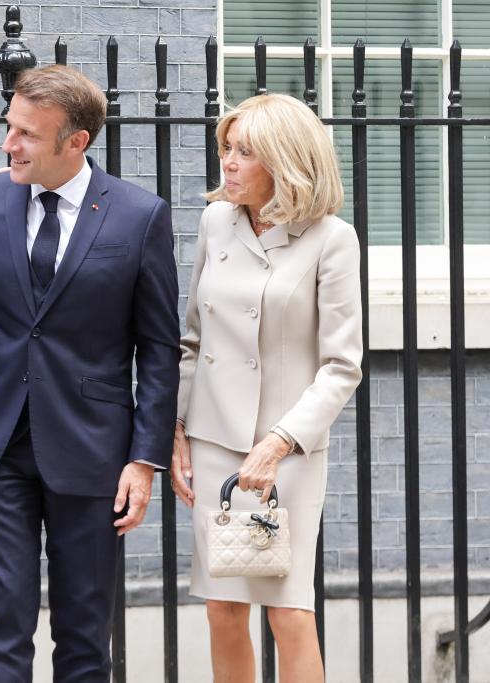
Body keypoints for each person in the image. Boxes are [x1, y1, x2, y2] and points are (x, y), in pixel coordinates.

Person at [0, 64, 181, 682]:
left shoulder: (139, 215)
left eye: (26, 134)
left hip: (92, 449)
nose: (9, 144)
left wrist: (143, 459)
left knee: (84, 638)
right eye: (10, 128)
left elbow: (160, 349)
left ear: (75, 141)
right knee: (0, 633)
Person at [170, 93, 363, 683]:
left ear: (286, 161)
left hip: (287, 451)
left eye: (245, 152)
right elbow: (193, 340)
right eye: (226, 148)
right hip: (213, 440)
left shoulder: (331, 239)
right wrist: (176, 429)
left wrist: (278, 443)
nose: (228, 162)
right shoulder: (215, 222)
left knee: (288, 612)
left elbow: (341, 364)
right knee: (223, 608)